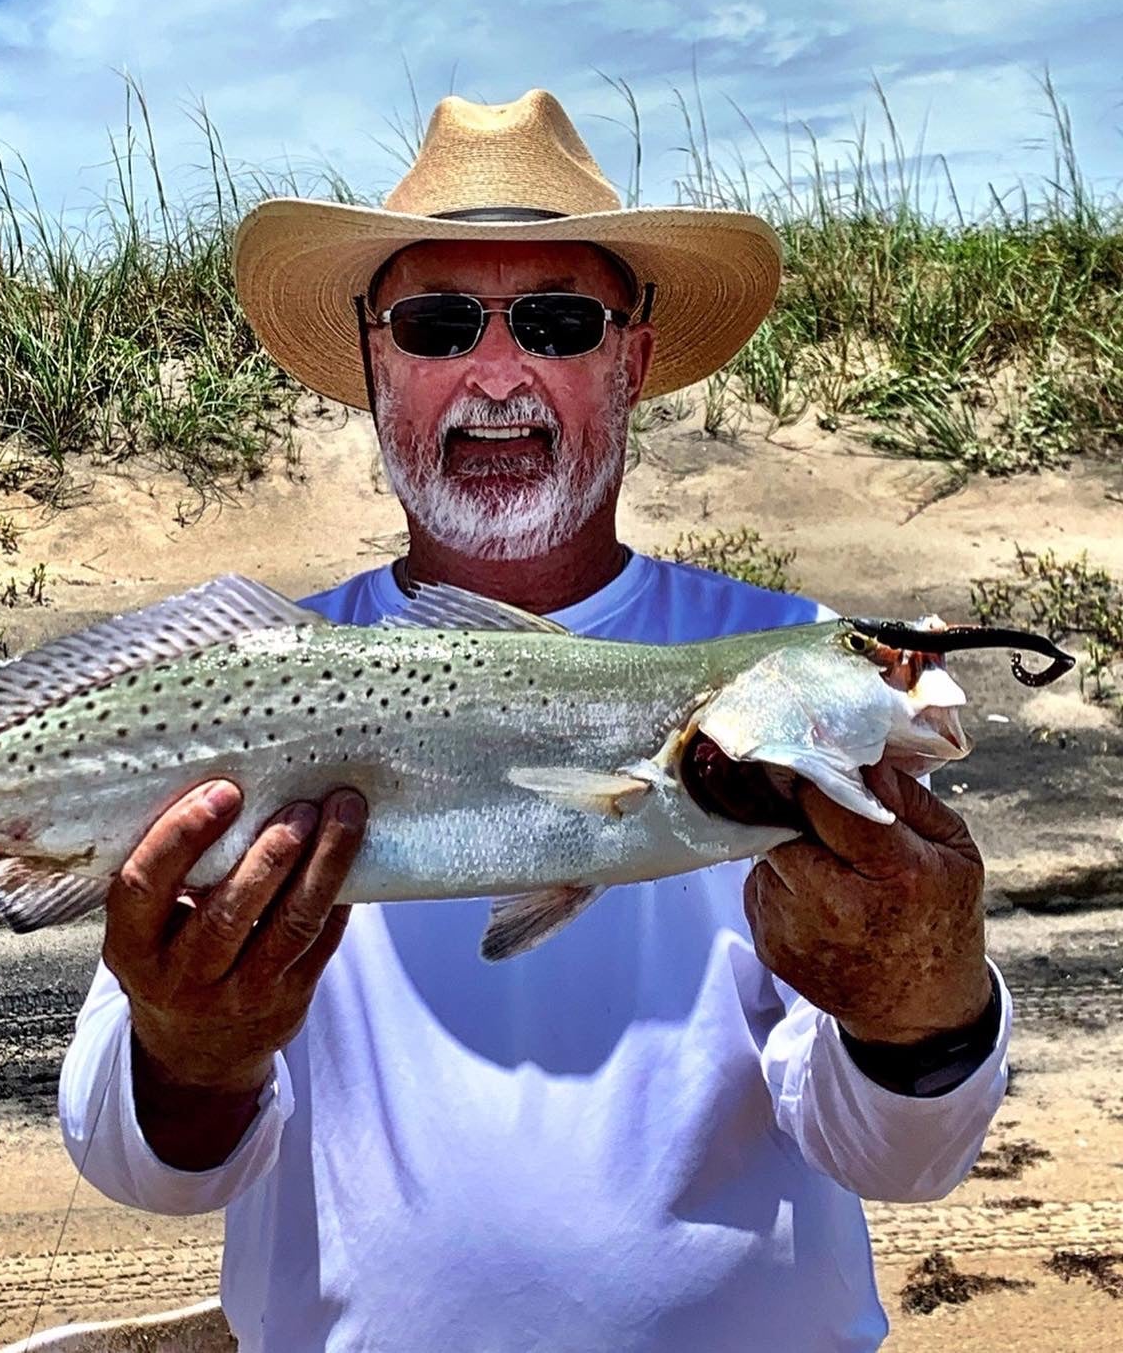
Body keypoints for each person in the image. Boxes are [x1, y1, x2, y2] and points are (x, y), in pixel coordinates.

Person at [58, 90, 1009, 1352]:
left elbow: (900, 1156)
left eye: (558, 324)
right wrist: (190, 1051)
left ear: (634, 359)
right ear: (372, 360)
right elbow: (150, 1170)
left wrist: (922, 1010)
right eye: (437, 324)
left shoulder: (789, 656)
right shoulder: (258, 669)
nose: (495, 373)